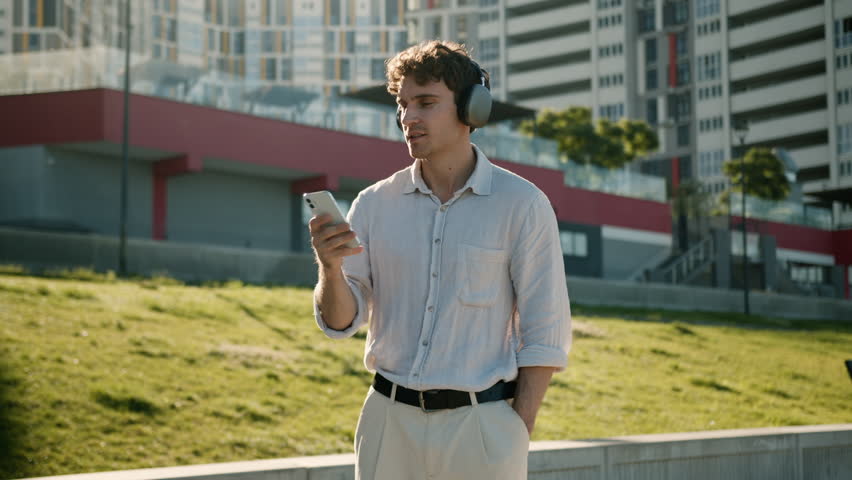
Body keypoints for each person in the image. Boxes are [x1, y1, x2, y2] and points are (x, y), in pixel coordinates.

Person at [309, 40, 571, 480]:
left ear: (473, 109)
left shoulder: (522, 205)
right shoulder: (373, 204)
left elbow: (545, 329)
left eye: (426, 103)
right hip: (387, 424)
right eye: (403, 104)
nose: (408, 118)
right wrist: (330, 269)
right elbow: (340, 323)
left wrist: (515, 429)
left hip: (482, 429)